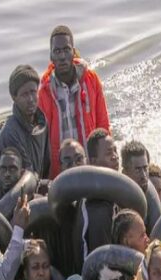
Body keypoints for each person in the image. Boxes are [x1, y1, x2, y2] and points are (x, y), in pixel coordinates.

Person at [38, 25, 110, 179]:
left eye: (66, 49)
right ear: (51, 56)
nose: (62, 56)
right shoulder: (44, 91)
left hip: (91, 166)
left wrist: (105, 164)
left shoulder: (91, 80)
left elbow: (103, 126)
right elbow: (42, 142)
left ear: (73, 52)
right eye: (57, 51)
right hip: (61, 173)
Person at [0, 65, 50, 178]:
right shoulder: (10, 133)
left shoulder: (42, 123)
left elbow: (46, 164)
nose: (31, 99)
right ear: (14, 97)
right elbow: (25, 174)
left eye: (33, 92)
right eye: (24, 94)